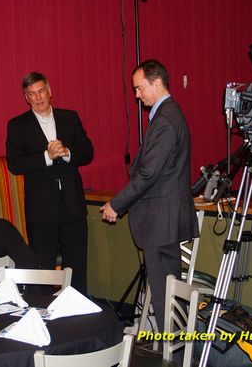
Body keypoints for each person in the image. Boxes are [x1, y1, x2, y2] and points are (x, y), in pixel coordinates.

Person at [100, 59, 199, 330]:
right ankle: (173, 349)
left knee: (166, 299)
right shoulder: (168, 115)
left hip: (161, 221)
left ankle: (174, 354)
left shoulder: (166, 119)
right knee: (168, 295)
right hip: (163, 219)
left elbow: (148, 174)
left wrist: (117, 204)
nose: (137, 95)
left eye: (139, 88)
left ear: (156, 83)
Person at [6, 71, 94, 293]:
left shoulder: (70, 117)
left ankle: (78, 311)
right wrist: (47, 156)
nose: (38, 97)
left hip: (73, 204)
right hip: (41, 208)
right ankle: (44, 316)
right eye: (32, 94)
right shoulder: (17, 125)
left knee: (77, 264)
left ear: (50, 91)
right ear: (26, 98)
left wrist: (65, 152)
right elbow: (15, 164)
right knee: (43, 266)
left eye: (41, 91)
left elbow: (87, 152)